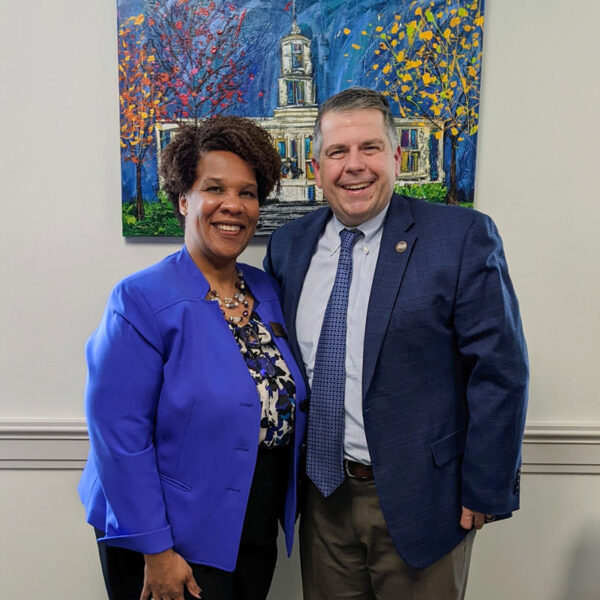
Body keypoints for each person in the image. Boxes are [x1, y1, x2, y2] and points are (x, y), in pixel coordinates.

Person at [264, 87, 528, 600]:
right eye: (338, 152)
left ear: (396, 158)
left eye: (370, 148)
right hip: (322, 499)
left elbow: (499, 371)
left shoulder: (460, 236)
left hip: (423, 499)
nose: (354, 166)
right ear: (317, 166)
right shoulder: (289, 246)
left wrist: (487, 486)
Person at [78, 116, 308, 600]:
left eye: (248, 193)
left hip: (252, 526)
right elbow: (118, 435)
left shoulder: (268, 291)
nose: (233, 205)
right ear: (184, 199)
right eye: (215, 188)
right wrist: (156, 551)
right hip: (170, 538)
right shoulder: (140, 300)